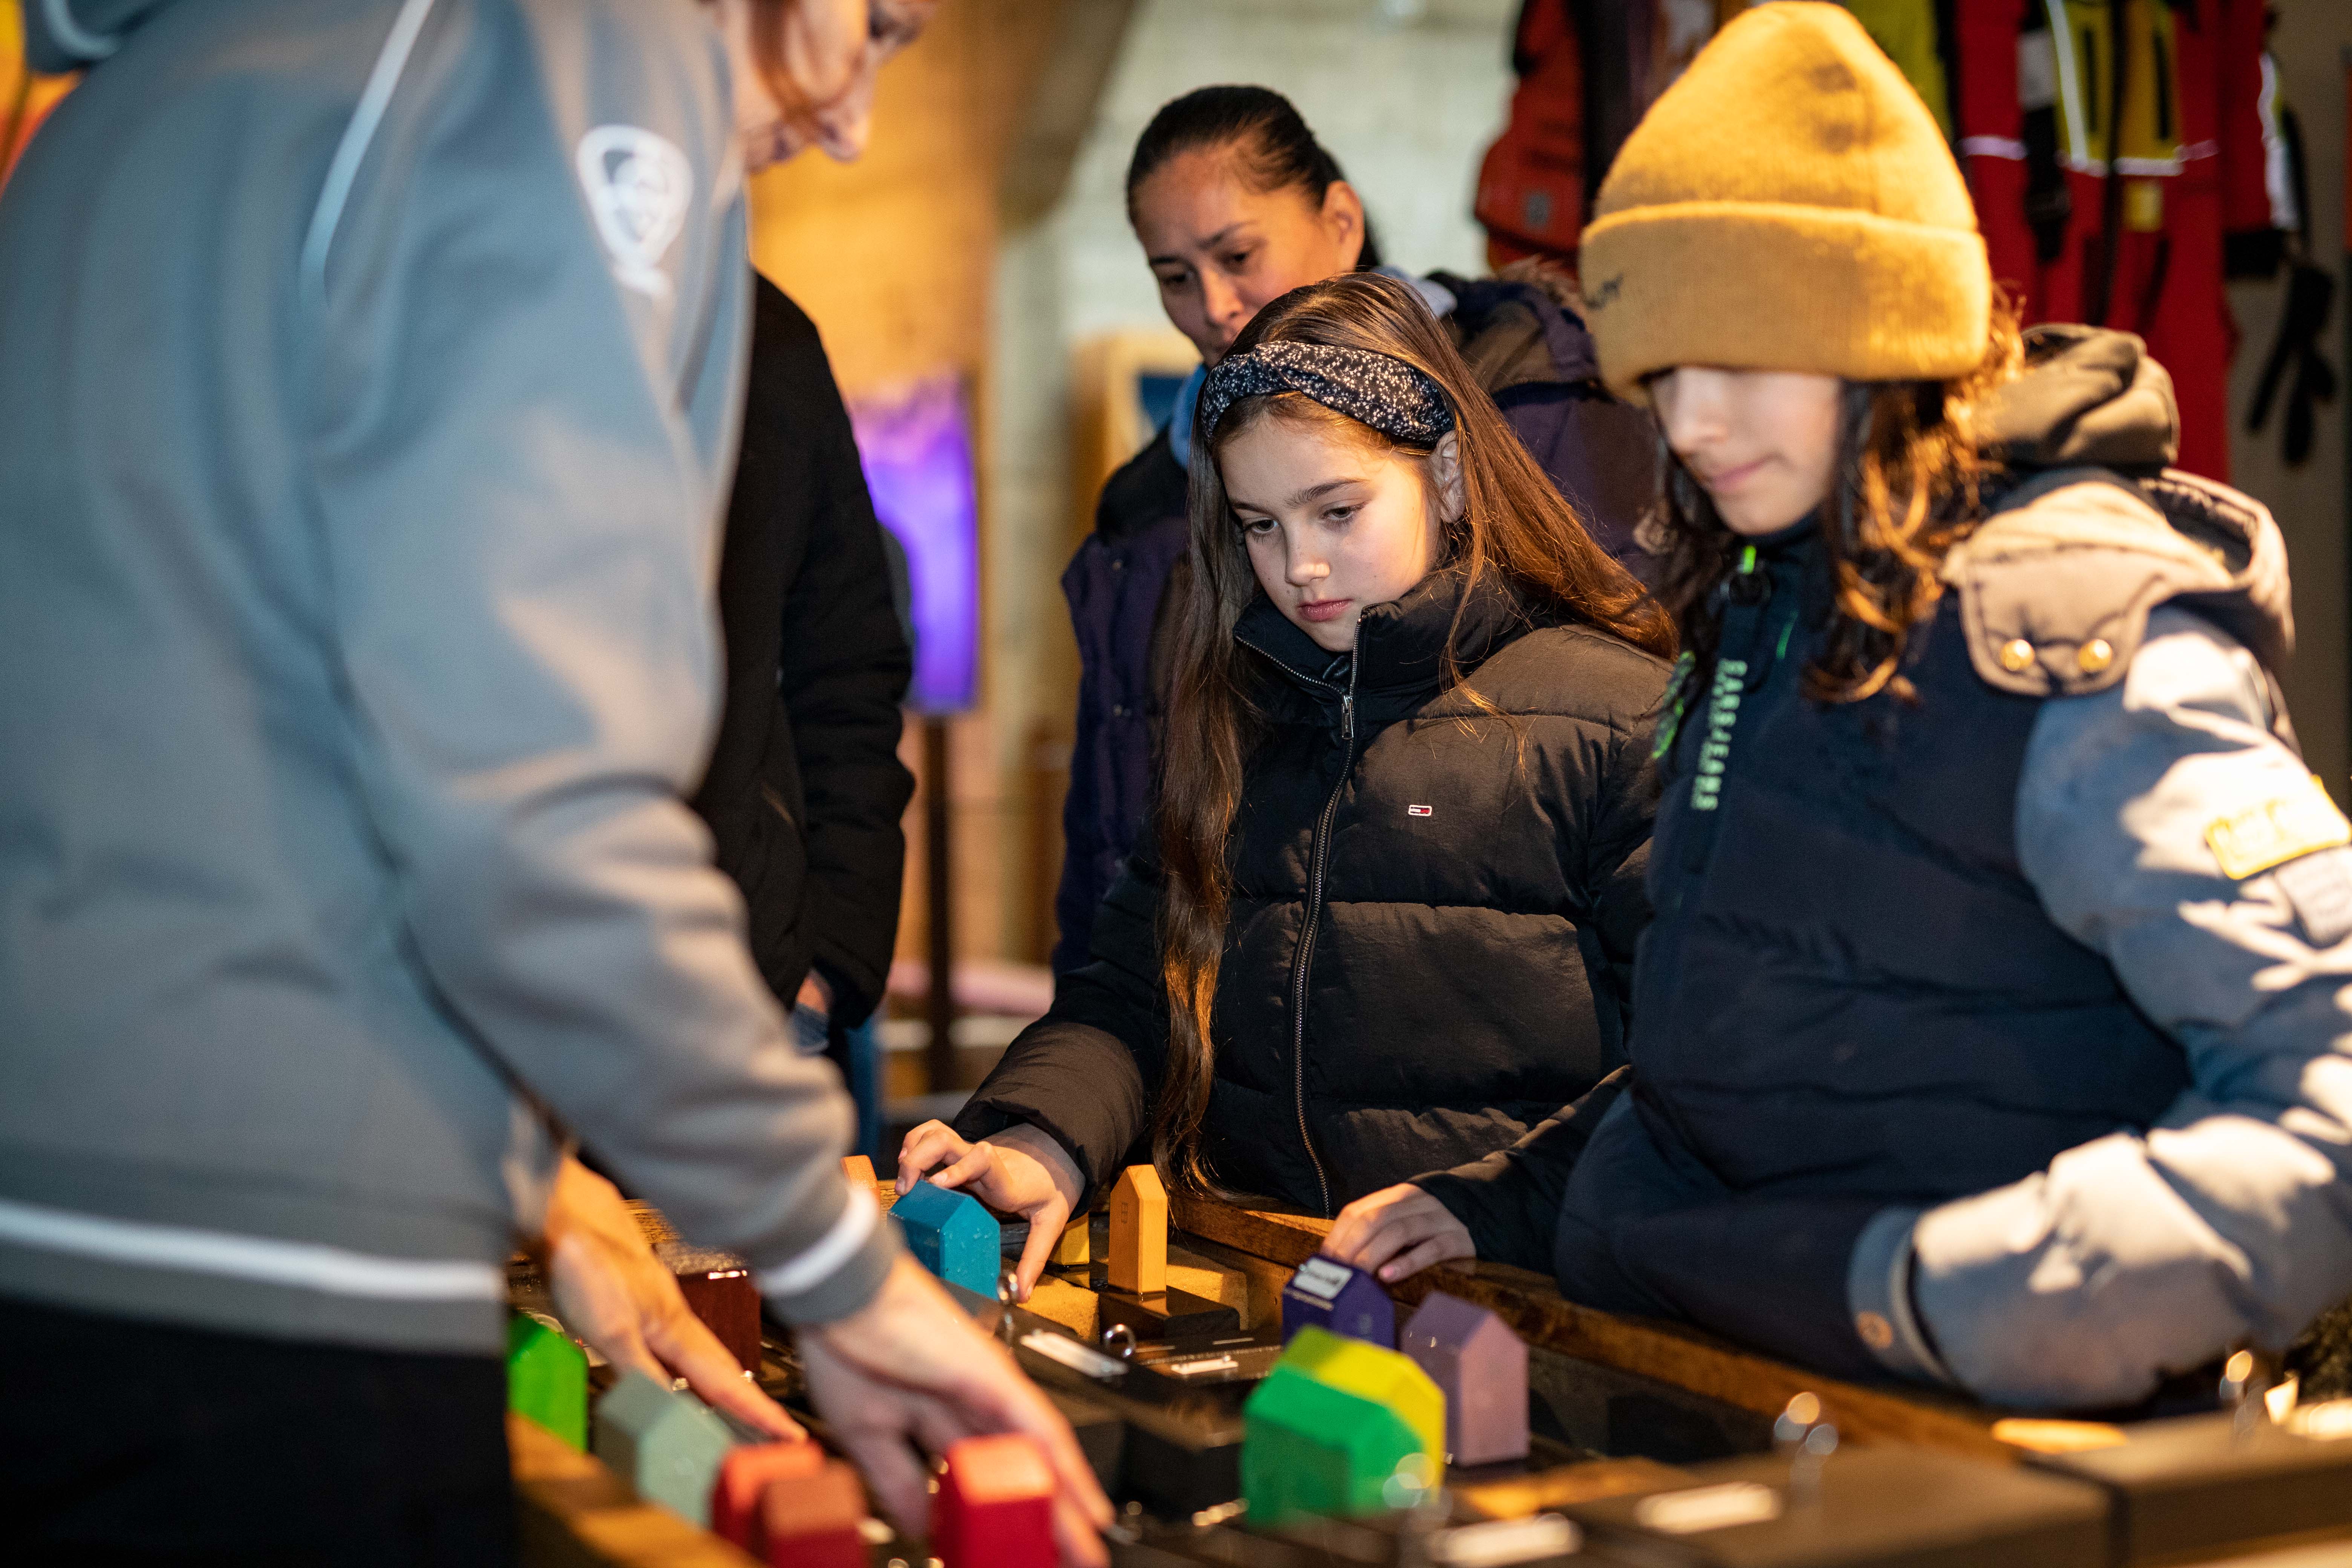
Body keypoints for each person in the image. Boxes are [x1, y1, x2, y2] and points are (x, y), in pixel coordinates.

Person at [0, 2, 1107, 1561]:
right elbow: (529, 788)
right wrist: (829, 1261)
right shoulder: (580, 44)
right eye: (877, 25)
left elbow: (287, 720)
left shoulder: (200, 74)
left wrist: (549, 1192)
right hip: (273, 1254)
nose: (856, 117)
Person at [1327, 3, 2352, 1413]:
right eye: (1665, 374)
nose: (1687, 426)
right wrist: (1527, 1193)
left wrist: (1974, 1298)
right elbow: (1757, 1026)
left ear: (1887, 339)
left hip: (1994, 1465)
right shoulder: (1769, 601)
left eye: (1743, 362)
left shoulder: (2066, 628)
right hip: (1746, 1398)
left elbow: (2330, 1085)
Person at [899, 272, 1674, 1298]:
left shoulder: (1617, 716)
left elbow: (1699, 1062)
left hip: (1529, 1311)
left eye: (1337, 510)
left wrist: (1494, 1203)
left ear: (1445, 475)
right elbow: (1138, 986)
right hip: (1269, 1282)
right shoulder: (1241, 714)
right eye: (1261, 525)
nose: (1302, 566)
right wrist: (1045, 1137)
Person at [1054, 84, 1659, 975]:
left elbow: (1596, 745)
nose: (1214, 305)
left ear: (1341, 221)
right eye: (1174, 276)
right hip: (1211, 1003)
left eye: (1238, 253)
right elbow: (1119, 813)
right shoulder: (1143, 505)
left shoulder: (1536, 411)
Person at [692, 271, 915, 1156]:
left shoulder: (771, 339)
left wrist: (827, 962)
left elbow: (849, 671)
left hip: (752, 990)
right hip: (489, 989)